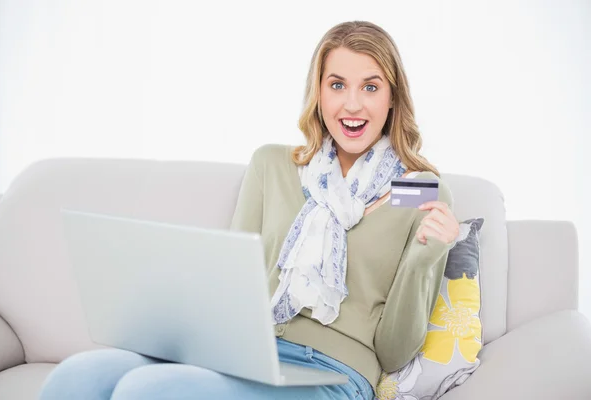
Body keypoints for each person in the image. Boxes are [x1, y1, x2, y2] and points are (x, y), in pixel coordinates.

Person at [38, 20, 459, 400]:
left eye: (370, 87)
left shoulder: (418, 189)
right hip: (249, 355)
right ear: (318, 93)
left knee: (150, 392)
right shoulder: (273, 166)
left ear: (392, 98)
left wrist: (426, 257)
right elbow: (230, 284)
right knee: (78, 376)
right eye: (336, 85)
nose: (352, 104)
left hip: (335, 372)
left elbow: (395, 350)